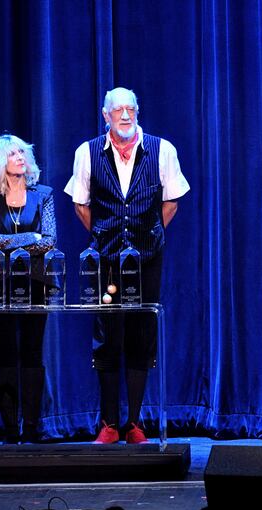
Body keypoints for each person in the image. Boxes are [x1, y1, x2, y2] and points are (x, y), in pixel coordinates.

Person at [65, 87, 190, 444]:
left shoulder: (161, 149)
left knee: (141, 333)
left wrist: (145, 239)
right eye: (117, 110)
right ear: (105, 115)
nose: (124, 115)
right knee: (107, 335)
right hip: (104, 259)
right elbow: (81, 206)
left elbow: (171, 203)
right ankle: (108, 422)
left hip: (147, 258)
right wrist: (108, 238)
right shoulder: (87, 153)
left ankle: (134, 422)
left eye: (130, 109)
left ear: (137, 112)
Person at [0, 134, 56, 443]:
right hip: (0, 283)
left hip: (37, 282)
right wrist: (31, 238)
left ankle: (34, 425)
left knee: (33, 352)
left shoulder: (44, 194)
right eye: (13, 153)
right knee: (7, 353)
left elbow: (50, 239)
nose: (20, 157)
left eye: (23, 151)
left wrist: (14, 241)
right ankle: (11, 427)